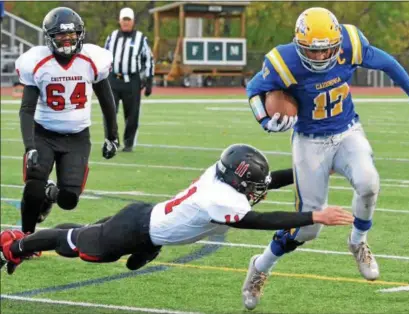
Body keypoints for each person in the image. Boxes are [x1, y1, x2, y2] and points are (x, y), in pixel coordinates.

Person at [244, 7, 409, 310]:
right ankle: (261, 266)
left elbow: (388, 63)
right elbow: (254, 90)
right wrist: (265, 121)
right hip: (309, 141)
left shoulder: (350, 43)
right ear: (298, 44)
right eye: (311, 51)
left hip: (347, 131)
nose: (319, 57)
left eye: (326, 51)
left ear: (336, 43)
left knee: (369, 183)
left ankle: (358, 241)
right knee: (308, 228)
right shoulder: (283, 61)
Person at [0, 144, 353, 275]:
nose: (257, 192)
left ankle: (32, 241)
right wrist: (314, 216)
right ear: (236, 182)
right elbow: (260, 220)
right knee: (73, 243)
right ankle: (15, 246)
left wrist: (312, 172)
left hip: (146, 221)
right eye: (251, 187)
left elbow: (269, 183)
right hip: (136, 228)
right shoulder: (220, 198)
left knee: (84, 234)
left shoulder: (221, 177)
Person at [15, 7, 119, 234]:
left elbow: (107, 101)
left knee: (69, 199)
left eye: (72, 34)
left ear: (80, 34)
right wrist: (30, 146)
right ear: (50, 37)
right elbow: (26, 109)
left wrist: (112, 136)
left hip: (77, 137)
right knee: (34, 184)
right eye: (61, 35)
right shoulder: (37, 61)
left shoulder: (92, 59)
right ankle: (27, 237)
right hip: (44, 132)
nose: (67, 39)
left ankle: (50, 195)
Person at [104, 7, 154, 152]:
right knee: (109, 112)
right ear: (120, 21)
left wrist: (149, 80)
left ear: (133, 21)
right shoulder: (112, 37)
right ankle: (112, 140)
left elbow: (149, 59)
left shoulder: (140, 38)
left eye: (128, 20)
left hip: (132, 80)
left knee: (132, 115)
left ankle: (128, 143)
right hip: (113, 79)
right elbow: (104, 56)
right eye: (123, 20)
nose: (126, 23)